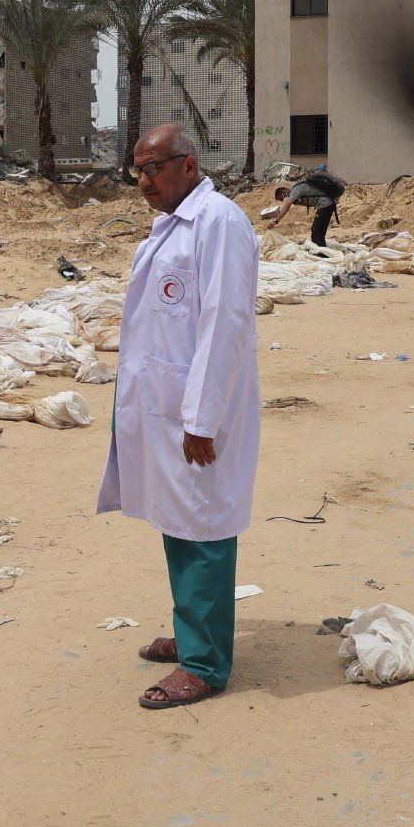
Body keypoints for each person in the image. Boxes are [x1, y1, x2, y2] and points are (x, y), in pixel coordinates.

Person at [97, 124, 261, 710]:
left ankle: (206, 664)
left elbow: (225, 325)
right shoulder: (171, 224)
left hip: (197, 410)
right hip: (166, 404)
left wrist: (202, 418)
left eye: (153, 169)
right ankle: (194, 631)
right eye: (136, 170)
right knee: (178, 518)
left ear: (187, 166)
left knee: (205, 526)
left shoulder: (218, 223)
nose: (142, 182)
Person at [267, 167, 347, 247]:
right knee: (316, 231)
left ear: (284, 192)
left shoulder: (296, 189)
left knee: (317, 232)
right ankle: (321, 250)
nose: (283, 200)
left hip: (325, 204)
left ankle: (321, 253)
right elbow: (312, 204)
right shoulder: (298, 192)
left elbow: (287, 206)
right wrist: (298, 203)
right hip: (326, 204)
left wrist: (275, 221)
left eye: (282, 198)